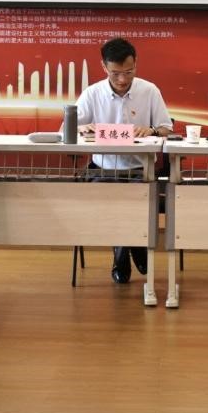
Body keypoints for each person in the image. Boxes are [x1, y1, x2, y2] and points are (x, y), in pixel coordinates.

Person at [74, 37, 172, 284]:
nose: (122, 80)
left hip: (141, 170)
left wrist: (151, 130)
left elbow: (166, 128)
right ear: (104, 67)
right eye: (115, 73)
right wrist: (82, 127)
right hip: (103, 171)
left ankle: (122, 252)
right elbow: (67, 128)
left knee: (135, 200)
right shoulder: (92, 93)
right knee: (114, 203)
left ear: (136, 63)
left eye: (128, 72)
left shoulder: (149, 91)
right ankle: (131, 248)